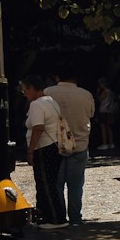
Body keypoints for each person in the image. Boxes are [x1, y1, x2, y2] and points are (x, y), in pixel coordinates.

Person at [46, 68, 96, 227]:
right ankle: (75, 218)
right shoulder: (86, 94)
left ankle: (60, 217)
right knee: (75, 185)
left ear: (56, 76)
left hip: (54, 145)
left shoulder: (48, 93)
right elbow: (91, 114)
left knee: (56, 184)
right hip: (80, 144)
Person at [21, 76, 67, 227]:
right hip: (53, 145)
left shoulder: (37, 105)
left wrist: (30, 150)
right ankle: (45, 215)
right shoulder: (50, 101)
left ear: (34, 89)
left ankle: (55, 218)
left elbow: (38, 127)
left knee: (46, 184)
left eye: (26, 89)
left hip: (44, 147)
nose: (24, 92)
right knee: (46, 183)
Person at [94, 77, 116, 151]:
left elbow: (99, 100)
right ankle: (111, 143)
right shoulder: (111, 92)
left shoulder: (105, 91)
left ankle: (105, 143)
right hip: (110, 110)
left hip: (104, 110)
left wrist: (97, 93)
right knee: (109, 128)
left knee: (103, 127)